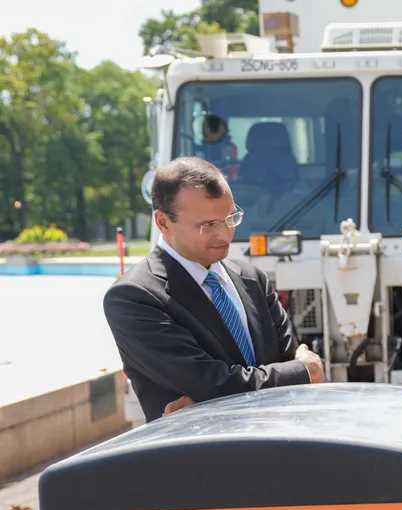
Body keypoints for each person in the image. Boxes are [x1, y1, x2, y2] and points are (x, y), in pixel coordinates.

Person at [103, 157, 324, 423]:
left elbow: (286, 363)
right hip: (202, 459)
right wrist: (299, 372)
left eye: (230, 218)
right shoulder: (134, 297)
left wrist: (210, 400)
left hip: (277, 443)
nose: (225, 234)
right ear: (163, 222)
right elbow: (212, 381)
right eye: (208, 225)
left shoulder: (253, 279)